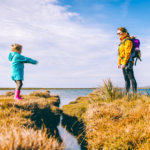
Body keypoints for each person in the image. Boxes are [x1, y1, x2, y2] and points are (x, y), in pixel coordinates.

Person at [117, 27, 137, 94]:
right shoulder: (122, 42)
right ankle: (127, 94)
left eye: (119, 33)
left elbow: (127, 53)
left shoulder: (128, 41)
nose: (118, 34)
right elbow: (120, 54)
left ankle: (135, 94)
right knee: (126, 78)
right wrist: (119, 63)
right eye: (117, 33)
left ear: (124, 32)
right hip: (123, 61)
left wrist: (124, 63)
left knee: (131, 77)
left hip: (128, 61)